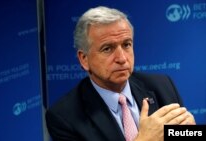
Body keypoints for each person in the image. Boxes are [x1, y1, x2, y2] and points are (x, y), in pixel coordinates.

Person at [45, 6, 196, 141]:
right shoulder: (64, 117)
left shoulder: (162, 86)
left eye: (126, 45)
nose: (122, 58)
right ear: (84, 59)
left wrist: (190, 133)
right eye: (107, 49)